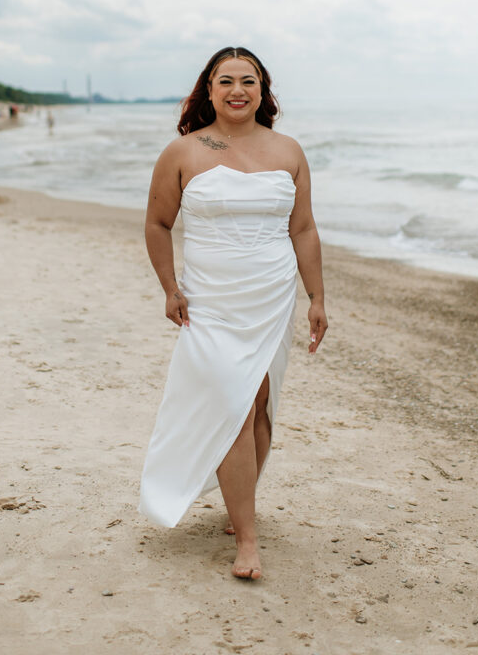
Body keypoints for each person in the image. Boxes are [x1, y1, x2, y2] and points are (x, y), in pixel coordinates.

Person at [138, 46, 328, 580]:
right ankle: (248, 538)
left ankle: (238, 503)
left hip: (271, 297)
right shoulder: (183, 152)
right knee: (233, 405)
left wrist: (317, 297)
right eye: (226, 81)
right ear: (209, 89)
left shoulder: (288, 150)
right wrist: (170, 287)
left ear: (263, 90)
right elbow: (157, 224)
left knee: (260, 403)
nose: (237, 90)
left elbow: (304, 228)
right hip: (211, 303)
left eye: (248, 80)